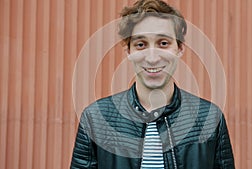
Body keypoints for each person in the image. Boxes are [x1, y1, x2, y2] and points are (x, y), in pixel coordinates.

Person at [70, 0, 235, 168]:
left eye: (163, 43)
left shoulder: (210, 117)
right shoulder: (95, 118)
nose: (152, 58)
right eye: (141, 45)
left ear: (179, 49)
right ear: (129, 52)